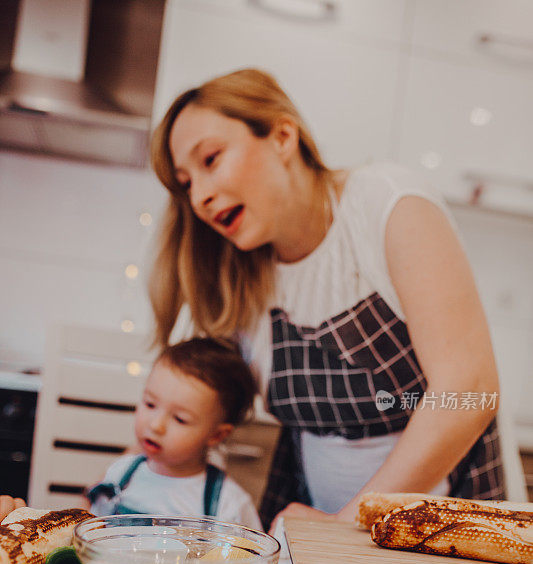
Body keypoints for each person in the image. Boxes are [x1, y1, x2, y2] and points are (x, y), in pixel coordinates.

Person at [125, 68, 505, 531]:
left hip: (443, 523)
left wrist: (345, 527)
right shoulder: (237, 270)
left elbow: (468, 391)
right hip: (313, 517)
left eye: (211, 159)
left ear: (284, 136)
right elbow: (191, 404)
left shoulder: (387, 206)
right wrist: (129, 478)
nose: (200, 196)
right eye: (186, 183)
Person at [85, 337, 262, 530]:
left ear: (216, 435)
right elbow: (89, 534)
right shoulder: (120, 475)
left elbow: (254, 559)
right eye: (150, 404)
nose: (156, 425)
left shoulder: (229, 506)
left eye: (179, 419)